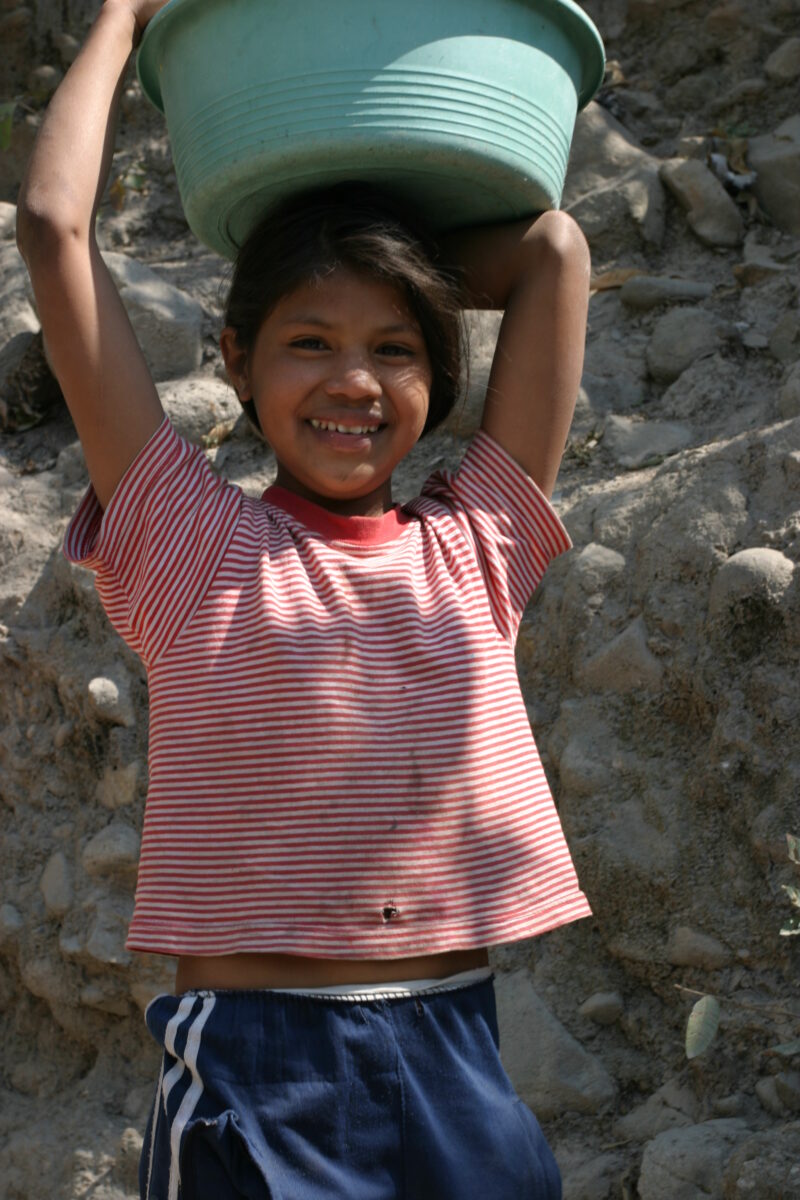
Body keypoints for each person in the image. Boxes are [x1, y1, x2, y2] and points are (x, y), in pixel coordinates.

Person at [16, 2, 593, 1197]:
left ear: (437, 377)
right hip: (258, 1083)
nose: (353, 380)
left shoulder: (476, 546)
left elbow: (551, 253)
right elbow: (55, 229)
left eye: (396, 349)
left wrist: (356, 245)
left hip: (453, 1054)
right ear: (231, 356)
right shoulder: (190, 545)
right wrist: (125, 15)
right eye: (307, 339)